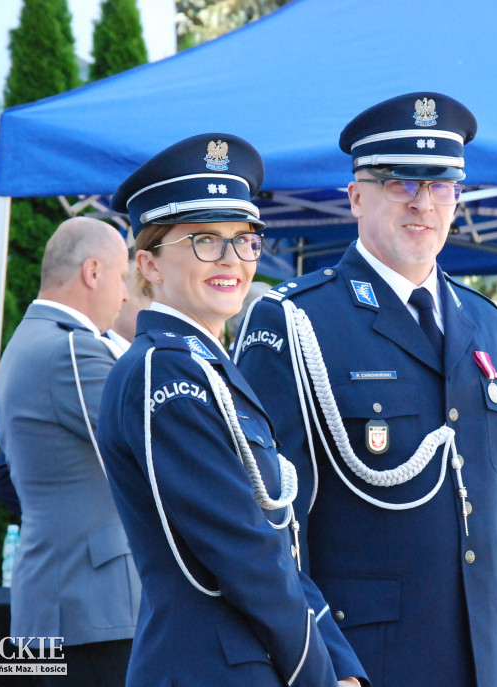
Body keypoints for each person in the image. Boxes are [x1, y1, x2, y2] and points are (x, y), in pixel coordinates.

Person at [234, 93, 497, 687]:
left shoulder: (488, 324)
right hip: (363, 667)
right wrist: (329, 667)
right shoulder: (296, 321)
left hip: (485, 666)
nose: (422, 202)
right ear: (356, 196)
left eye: (440, 186)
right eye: (399, 182)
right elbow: (270, 529)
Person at [97, 133, 367, 687]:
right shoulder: (164, 372)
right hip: (205, 668)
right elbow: (245, 554)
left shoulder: (211, 368)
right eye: (203, 241)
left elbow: (280, 542)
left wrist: (344, 669)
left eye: (244, 240)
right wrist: (318, 676)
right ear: (148, 263)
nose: (232, 261)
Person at [0, 216, 139, 685]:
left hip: (72, 599)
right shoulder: (70, 350)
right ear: (93, 273)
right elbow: (154, 443)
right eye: (122, 278)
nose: (126, 296)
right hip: (88, 604)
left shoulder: (39, 340)